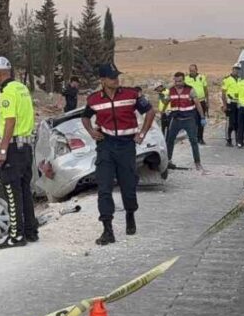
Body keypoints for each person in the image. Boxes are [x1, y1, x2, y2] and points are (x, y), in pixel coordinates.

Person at [82, 64, 156, 246]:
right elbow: (85, 117)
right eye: (112, 77)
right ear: (102, 80)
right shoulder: (94, 99)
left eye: (117, 76)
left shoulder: (131, 95)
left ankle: (130, 213)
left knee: (128, 185)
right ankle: (107, 230)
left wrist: (142, 133)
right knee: (104, 187)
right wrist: (91, 131)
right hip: (106, 145)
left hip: (126, 146)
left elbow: (150, 112)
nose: (116, 79)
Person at [0, 56, 38, 249]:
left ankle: (16, 236)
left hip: (13, 147)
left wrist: (2, 149)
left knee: (11, 191)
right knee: (25, 190)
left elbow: (10, 121)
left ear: (0, 73)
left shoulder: (7, 91)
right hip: (26, 147)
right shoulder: (22, 88)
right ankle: (31, 231)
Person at [163, 72, 204, 170]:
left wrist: (202, 117)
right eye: (176, 81)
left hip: (189, 120)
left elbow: (198, 104)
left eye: (180, 81)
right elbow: (166, 101)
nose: (177, 83)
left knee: (193, 141)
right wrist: (163, 111)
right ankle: (168, 161)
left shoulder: (190, 90)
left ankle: (197, 162)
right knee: (170, 140)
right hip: (176, 120)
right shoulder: (171, 90)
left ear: (184, 80)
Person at [188, 64, 209, 145]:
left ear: (197, 70)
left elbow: (206, 90)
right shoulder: (186, 79)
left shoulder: (202, 77)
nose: (191, 72)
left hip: (202, 101)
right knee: (193, 120)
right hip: (191, 102)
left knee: (201, 120)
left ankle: (200, 138)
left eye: (193, 70)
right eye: (190, 71)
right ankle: (194, 138)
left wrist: (207, 101)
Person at [221, 63, 240, 147]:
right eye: (235, 69)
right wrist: (224, 105)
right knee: (230, 123)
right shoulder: (227, 79)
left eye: (238, 69)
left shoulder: (240, 80)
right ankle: (228, 140)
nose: (237, 70)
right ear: (232, 69)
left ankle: (237, 139)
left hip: (238, 103)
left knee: (237, 122)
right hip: (230, 103)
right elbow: (223, 93)